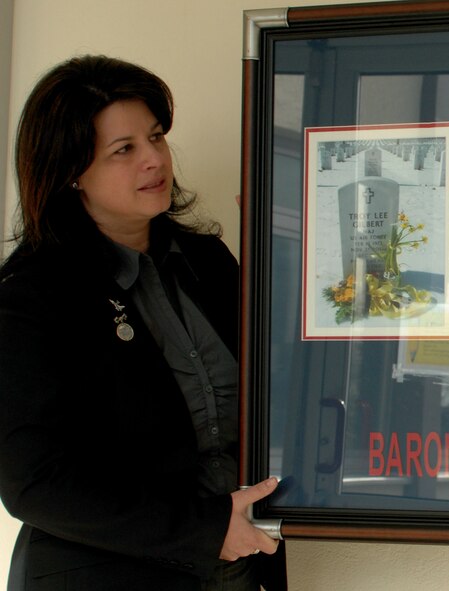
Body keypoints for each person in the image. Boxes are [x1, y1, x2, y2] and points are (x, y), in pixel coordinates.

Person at [0, 55, 286, 590]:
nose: (154, 159)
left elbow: (278, 391)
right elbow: (33, 484)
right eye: (124, 150)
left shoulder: (208, 261)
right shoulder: (33, 297)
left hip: (239, 572)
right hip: (103, 576)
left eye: (156, 137)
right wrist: (201, 531)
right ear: (69, 173)